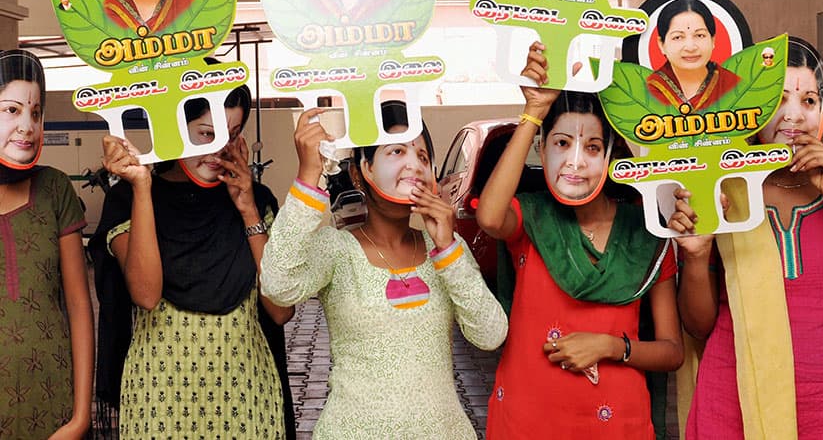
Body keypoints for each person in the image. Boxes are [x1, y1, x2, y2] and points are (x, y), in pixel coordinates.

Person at [675, 39, 823, 438]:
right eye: (777, 100)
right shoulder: (722, 191)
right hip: (734, 405)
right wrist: (695, 256)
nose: (793, 116)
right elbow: (697, 325)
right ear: (749, 112)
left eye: (809, 101)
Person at [260, 101, 507, 439]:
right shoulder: (337, 251)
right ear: (363, 171)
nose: (413, 166)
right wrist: (307, 178)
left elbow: (490, 335)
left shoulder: (446, 252)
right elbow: (277, 285)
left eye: (422, 157)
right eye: (396, 152)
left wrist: (448, 249)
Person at [476, 41, 683, 438]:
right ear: (541, 147)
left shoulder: (646, 232)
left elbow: (672, 351)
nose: (575, 162)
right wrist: (534, 113)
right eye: (561, 143)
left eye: (592, 147)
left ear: (609, 155)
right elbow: (487, 216)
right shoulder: (530, 218)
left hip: (617, 423)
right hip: (527, 420)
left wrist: (609, 346)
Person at [96, 84, 291, 439]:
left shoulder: (256, 200)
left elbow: (280, 311)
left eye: (231, 136)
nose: (218, 150)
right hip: (159, 397)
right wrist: (142, 186)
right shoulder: (129, 199)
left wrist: (248, 211)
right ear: (174, 126)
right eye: (206, 133)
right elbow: (146, 293)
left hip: (245, 396)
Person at [0, 49, 93, 439]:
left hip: (53, 408)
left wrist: (80, 417)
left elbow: (78, 305)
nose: (26, 126)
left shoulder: (54, 188)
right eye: (11, 110)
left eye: (35, 113)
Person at [645, 0, 740, 110]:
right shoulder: (647, 89)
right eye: (678, 37)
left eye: (699, 35)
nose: (690, 47)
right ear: (661, 44)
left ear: (713, 40)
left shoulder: (733, 85)